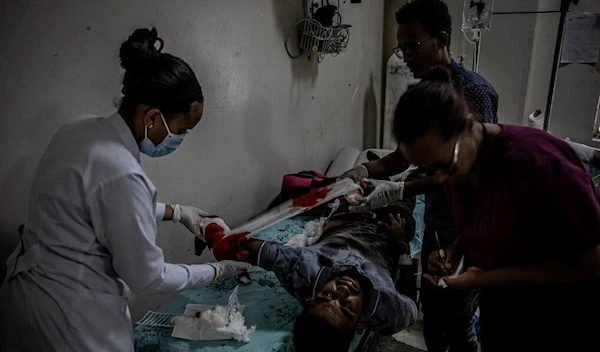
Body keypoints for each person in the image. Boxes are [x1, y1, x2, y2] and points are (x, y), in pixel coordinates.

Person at [0, 28, 250, 352]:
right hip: (70, 316)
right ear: (152, 117)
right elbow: (147, 277)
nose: (181, 139)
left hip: (26, 291)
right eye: (182, 130)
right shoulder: (123, 174)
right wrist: (215, 271)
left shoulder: (80, 129)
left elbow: (94, 209)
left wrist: (176, 212)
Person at [362, 66, 600, 351]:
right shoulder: (459, 166)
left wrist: (480, 277)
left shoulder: (538, 163)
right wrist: (457, 249)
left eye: (443, 166)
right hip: (503, 305)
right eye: (430, 168)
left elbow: (593, 261)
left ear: (469, 125)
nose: (439, 178)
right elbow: (492, 219)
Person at [342, 1, 497, 351]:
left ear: (442, 40)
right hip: (437, 227)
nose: (406, 56)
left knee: (457, 324)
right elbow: (401, 157)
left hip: (467, 231)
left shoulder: (473, 93)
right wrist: (362, 171)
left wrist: (399, 190)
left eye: (414, 46)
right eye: (402, 47)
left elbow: (466, 174)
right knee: (434, 322)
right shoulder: (421, 95)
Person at [200, 199, 419, 352]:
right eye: (348, 308)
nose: (342, 289)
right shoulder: (389, 312)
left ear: (311, 298)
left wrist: (212, 232)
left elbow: (253, 249)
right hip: (390, 229)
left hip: (350, 214)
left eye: (327, 296)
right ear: (360, 323)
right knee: (406, 190)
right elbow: (411, 301)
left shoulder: (303, 271)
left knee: (363, 183)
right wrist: (402, 246)